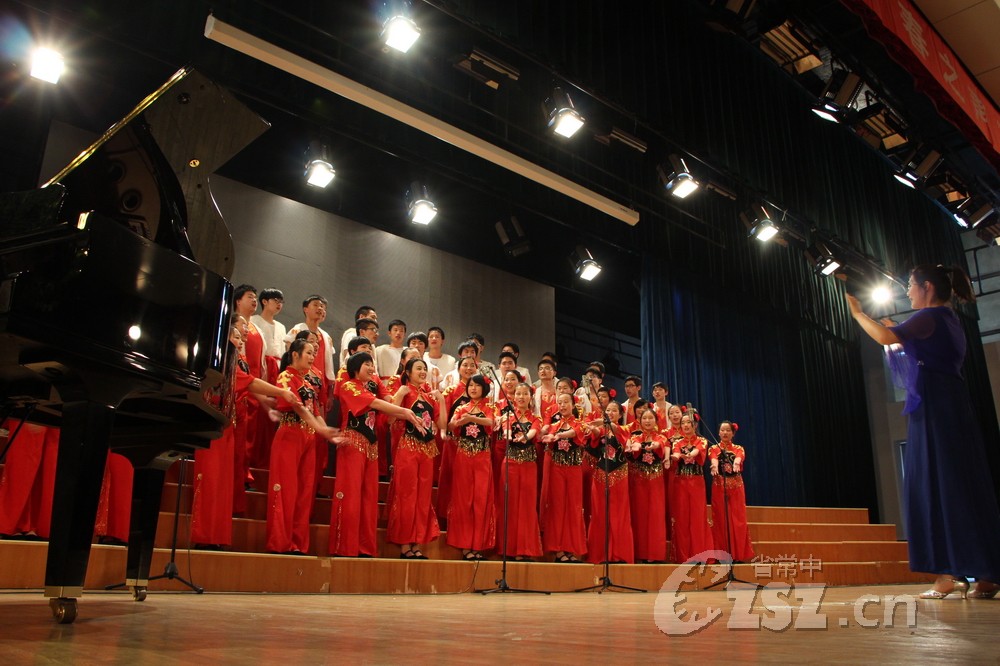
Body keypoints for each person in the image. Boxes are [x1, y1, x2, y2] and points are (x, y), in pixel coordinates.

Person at [846, 264, 1000, 599]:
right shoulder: (948, 319)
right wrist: (896, 333)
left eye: (912, 286)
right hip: (950, 405)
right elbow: (912, 348)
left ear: (927, 287)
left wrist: (858, 313)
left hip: (935, 408)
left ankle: (948, 575)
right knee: (960, 486)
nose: (908, 292)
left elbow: (886, 338)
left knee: (935, 485)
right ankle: (986, 573)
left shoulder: (930, 316)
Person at [329, 351, 425, 557]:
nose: (372, 368)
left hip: (371, 447)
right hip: (352, 443)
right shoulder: (349, 386)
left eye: (372, 365)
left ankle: (364, 548)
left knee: (369, 498)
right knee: (351, 496)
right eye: (367, 364)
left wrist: (403, 409)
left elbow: (387, 404)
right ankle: (345, 547)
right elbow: (376, 404)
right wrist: (405, 412)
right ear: (355, 367)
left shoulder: (370, 386)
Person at [265, 338, 343, 555]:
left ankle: (297, 543)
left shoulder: (307, 383)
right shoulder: (286, 377)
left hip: (308, 437)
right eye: (308, 352)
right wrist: (321, 430)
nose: (312, 357)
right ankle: (279, 542)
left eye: (313, 353)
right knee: (286, 489)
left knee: (304, 491)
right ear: (295, 355)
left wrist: (326, 432)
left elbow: (315, 411)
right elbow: (298, 407)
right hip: (290, 435)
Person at [387, 358, 445, 559]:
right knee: (407, 494)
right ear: (408, 372)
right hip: (408, 448)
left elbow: (442, 424)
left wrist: (442, 401)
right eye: (418, 368)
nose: (422, 371)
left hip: (427, 450)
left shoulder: (429, 397)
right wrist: (398, 395)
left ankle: (417, 542)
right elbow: (390, 419)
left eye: (424, 369)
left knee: (423, 497)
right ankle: (405, 544)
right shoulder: (404, 391)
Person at [446, 374, 497, 560]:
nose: (473, 388)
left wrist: (470, 418)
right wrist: (460, 421)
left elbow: (491, 422)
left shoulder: (489, 407)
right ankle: (465, 545)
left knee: (481, 499)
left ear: (484, 388)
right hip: (464, 455)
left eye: (477, 385)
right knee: (464, 499)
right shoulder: (461, 407)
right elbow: (451, 425)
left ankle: (478, 545)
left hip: (482, 456)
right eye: (470, 385)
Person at [494, 382, 543, 560]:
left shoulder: (536, 418)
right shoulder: (507, 416)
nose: (521, 397)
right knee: (510, 504)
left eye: (525, 394)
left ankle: (526, 549)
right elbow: (506, 432)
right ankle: (509, 549)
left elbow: (534, 432)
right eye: (518, 394)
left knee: (527, 506)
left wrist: (525, 437)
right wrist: (509, 435)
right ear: (514, 396)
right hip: (511, 464)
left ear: (531, 397)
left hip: (529, 465)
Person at [584, 401, 634, 564]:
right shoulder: (601, 430)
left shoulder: (624, 429)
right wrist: (593, 428)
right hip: (600, 475)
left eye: (614, 411)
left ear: (620, 414)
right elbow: (595, 433)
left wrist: (603, 422)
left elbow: (617, 431)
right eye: (608, 410)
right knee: (600, 513)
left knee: (619, 514)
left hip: (619, 475)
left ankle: (619, 554)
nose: (610, 413)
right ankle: (600, 554)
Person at [540, 393, 587, 563]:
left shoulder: (580, 424)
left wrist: (558, 436)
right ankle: (558, 549)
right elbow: (543, 436)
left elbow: (574, 433)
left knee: (573, 507)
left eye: (566, 402)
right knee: (557, 507)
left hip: (574, 469)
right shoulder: (553, 426)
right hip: (557, 469)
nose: (562, 405)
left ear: (573, 405)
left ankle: (571, 548)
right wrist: (545, 435)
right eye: (559, 403)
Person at [669, 414, 714, 563]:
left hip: (696, 482)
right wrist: (676, 457)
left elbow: (697, 451)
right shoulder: (677, 442)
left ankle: (699, 554)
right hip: (680, 482)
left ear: (695, 425)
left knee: (697, 517)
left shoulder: (701, 440)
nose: (686, 425)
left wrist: (688, 454)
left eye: (689, 422)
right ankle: (683, 556)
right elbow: (676, 453)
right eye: (683, 423)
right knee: (682, 517)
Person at [708, 421, 754, 563]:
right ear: (719, 432)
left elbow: (739, 457)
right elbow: (713, 459)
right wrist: (714, 466)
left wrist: (736, 463)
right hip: (719, 485)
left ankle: (738, 554)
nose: (725, 433)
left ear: (733, 433)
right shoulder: (713, 448)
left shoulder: (738, 448)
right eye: (722, 430)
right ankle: (722, 555)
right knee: (720, 518)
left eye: (728, 430)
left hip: (736, 486)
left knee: (738, 519)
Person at [627, 409, 668, 563]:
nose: (648, 421)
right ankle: (641, 553)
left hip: (656, 480)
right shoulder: (635, 437)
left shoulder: (661, 437)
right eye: (644, 418)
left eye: (651, 418)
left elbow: (660, 444)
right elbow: (634, 445)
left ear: (656, 421)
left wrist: (654, 445)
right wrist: (636, 446)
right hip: (639, 480)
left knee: (656, 514)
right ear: (640, 420)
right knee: (640, 515)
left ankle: (656, 554)